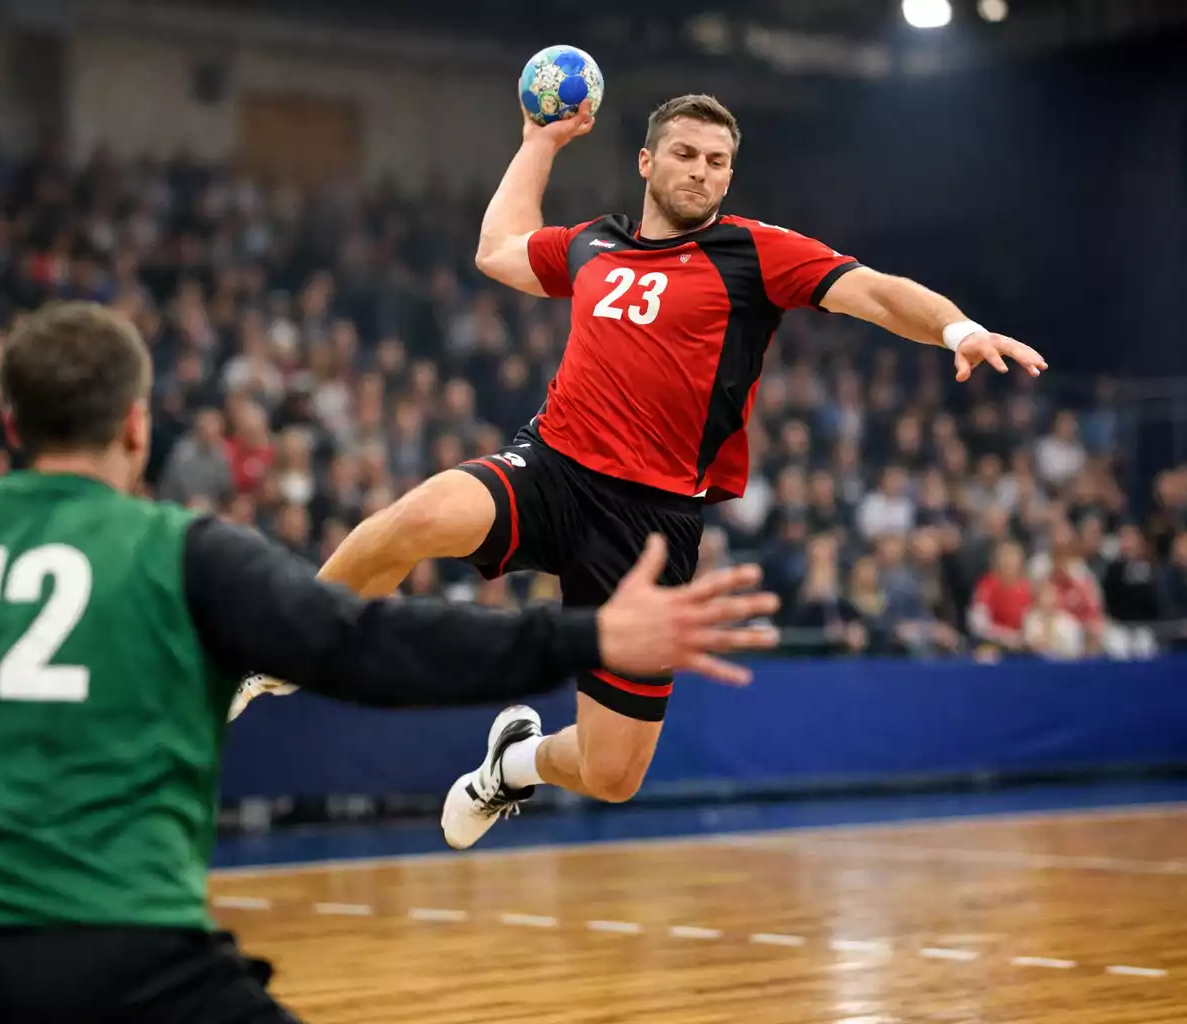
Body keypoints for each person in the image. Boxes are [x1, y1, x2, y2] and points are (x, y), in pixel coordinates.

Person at [0, 302, 780, 1024]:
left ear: (6, 422)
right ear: (140, 428)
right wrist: (582, 635)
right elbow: (374, 646)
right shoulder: (182, 554)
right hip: (125, 963)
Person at [232, 93, 1050, 852]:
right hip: (550, 467)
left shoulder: (756, 253)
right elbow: (498, 251)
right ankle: (284, 651)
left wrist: (957, 330)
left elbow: (873, 292)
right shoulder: (595, 243)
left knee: (612, 775)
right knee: (414, 520)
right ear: (648, 164)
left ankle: (510, 766)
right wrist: (538, 142)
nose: (702, 171)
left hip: (651, 526)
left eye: (718, 161)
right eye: (686, 154)